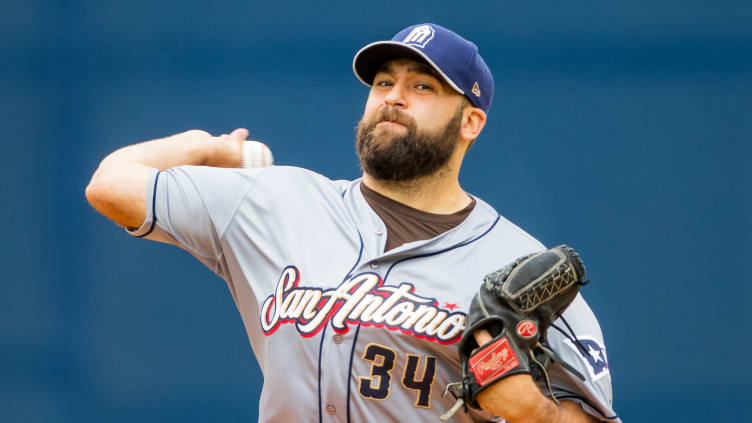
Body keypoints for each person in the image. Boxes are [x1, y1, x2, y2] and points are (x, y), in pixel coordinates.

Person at [86, 23, 619, 423]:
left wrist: (535, 410)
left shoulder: (519, 267)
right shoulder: (274, 203)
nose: (393, 96)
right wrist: (206, 148)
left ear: (471, 122)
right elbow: (111, 185)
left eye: (423, 87)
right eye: (383, 82)